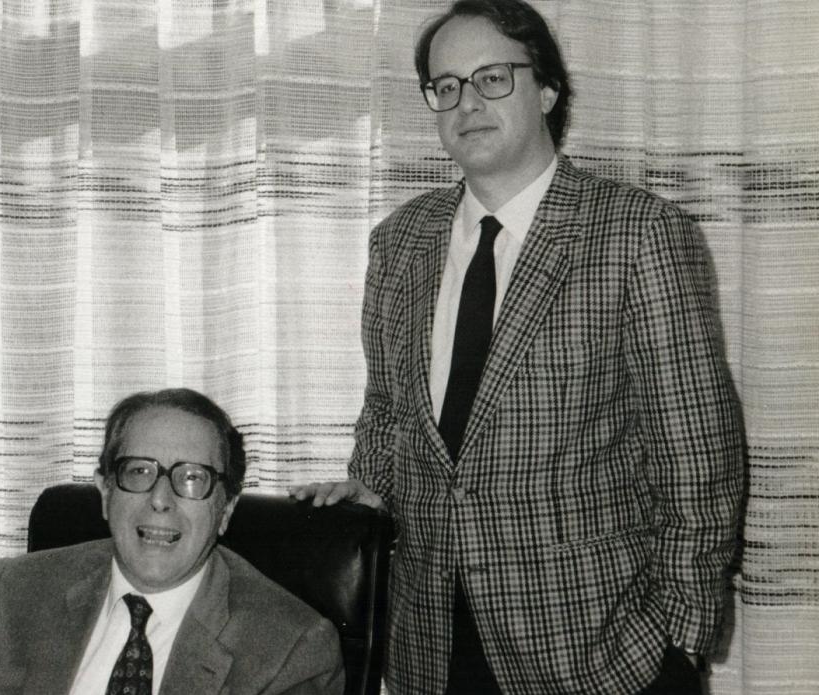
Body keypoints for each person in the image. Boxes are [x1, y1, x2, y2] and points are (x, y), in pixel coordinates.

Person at [293, 1, 744, 693]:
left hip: (599, 650)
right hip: (430, 645)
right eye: (446, 86)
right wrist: (372, 489)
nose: (467, 103)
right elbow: (386, 411)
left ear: (548, 90)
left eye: (493, 78)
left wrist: (678, 642)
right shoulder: (399, 242)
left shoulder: (638, 234)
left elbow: (699, 458)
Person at [0, 388, 344, 695]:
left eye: (191, 478)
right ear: (104, 493)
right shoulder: (24, 590)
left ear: (225, 509)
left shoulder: (291, 650)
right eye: (138, 471)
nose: (160, 500)